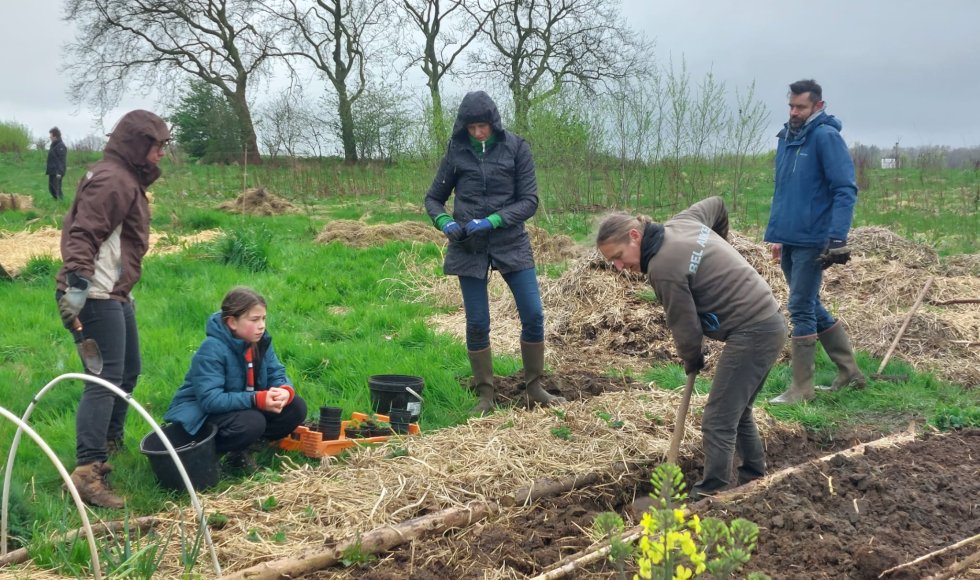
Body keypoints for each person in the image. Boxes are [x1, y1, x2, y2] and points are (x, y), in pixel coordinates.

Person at [596, 197, 786, 499]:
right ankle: (753, 477)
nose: (620, 267)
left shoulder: (662, 267)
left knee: (718, 418)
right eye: (612, 263)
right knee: (737, 411)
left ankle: (712, 492)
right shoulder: (684, 222)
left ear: (635, 236)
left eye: (619, 256)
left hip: (753, 330)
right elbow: (718, 205)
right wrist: (717, 248)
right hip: (768, 321)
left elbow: (684, 324)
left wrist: (692, 359)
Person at [424, 90, 565, 415]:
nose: (478, 133)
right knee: (477, 322)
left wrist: (493, 220)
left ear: (494, 123)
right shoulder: (456, 151)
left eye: (483, 126)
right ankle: (485, 394)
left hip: (510, 241)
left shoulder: (517, 148)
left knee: (533, 314)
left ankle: (534, 388)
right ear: (464, 127)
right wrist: (446, 222)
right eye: (472, 127)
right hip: (468, 245)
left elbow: (529, 200)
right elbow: (433, 198)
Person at [56, 109, 170, 508]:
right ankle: (87, 471)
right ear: (137, 144)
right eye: (157, 146)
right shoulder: (112, 180)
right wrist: (76, 289)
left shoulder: (125, 179)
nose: (161, 154)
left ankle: (109, 443)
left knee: (129, 371)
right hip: (94, 294)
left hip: (115, 292)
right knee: (102, 381)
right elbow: (83, 234)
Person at [765, 79, 866, 405]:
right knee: (808, 302)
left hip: (813, 238)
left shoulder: (825, 138)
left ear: (818, 106)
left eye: (801, 107)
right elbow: (785, 191)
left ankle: (801, 389)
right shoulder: (787, 138)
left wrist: (837, 237)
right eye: (791, 106)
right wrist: (778, 236)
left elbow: (845, 189)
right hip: (790, 236)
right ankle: (849, 372)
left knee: (799, 307)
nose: (794, 112)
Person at [164, 287, 308, 472]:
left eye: (263, 318)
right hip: (202, 416)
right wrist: (256, 399)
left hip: (240, 407)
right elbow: (210, 400)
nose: (262, 325)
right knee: (253, 422)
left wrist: (284, 390)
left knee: (296, 407)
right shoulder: (212, 349)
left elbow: (276, 372)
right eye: (254, 320)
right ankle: (209, 453)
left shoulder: (261, 341)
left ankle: (243, 451)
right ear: (232, 322)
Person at [46, 126, 68, 200]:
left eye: (51, 135)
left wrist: (59, 172)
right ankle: (56, 201)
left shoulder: (61, 146)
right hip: (52, 171)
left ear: (55, 136)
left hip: (57, 172)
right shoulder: (53, 145)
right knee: (51, 189)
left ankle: (61, 203)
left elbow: (61, 161)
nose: (50, 137)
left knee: (57, 189)